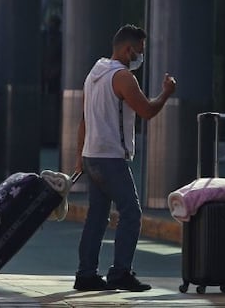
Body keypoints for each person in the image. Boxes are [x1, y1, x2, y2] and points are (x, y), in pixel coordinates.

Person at [72, 24, 176, 293]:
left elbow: (83, 119)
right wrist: (166, 92)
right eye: (139, 51)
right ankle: (120, 273)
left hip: (92, 155)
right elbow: (147, 111)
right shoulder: (122, 77)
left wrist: (79, 157)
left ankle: (85, 274)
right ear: (128, 49)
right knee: (131, 212)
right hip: (110, 158)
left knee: (97, 216)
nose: (140, 57)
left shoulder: (93, 74)